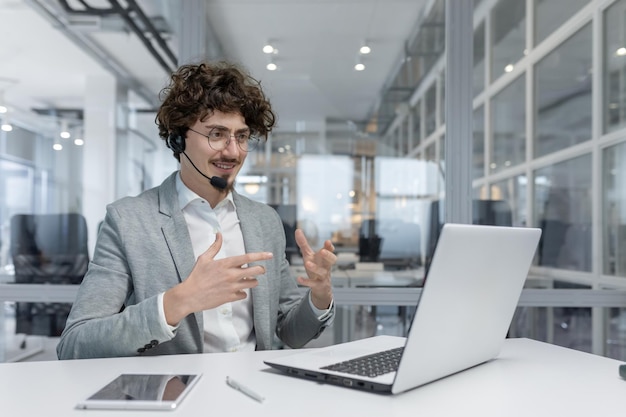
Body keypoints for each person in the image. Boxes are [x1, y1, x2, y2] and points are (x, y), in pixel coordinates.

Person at [56, 61, 337, 359]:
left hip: (254, 394)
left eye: (241, 136)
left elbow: (289, 331)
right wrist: (178, 301)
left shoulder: (264, 220)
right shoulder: (128, 221)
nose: (232, 151)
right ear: (179, 137)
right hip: (175, 395)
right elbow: (76, 344)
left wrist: (319, 296)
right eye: (216, 134)